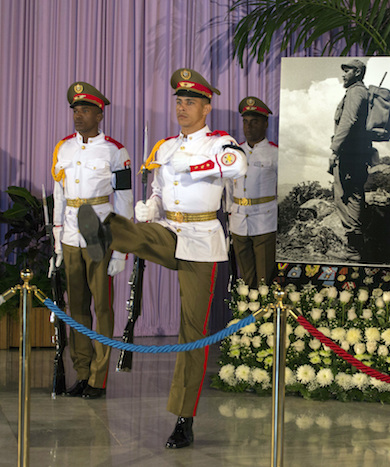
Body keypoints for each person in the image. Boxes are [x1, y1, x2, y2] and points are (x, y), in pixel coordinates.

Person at [76, 68, 247, 449]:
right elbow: (158, 189)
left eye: (190, 102)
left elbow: (238, 165)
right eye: (178, 102)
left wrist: (198, 166)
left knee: (193, 333)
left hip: (203, 242)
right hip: (168, 232)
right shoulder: (165, 147)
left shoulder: (220, 141)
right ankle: (105, 231)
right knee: (140, 233)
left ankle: (184, 418)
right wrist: (150, 205)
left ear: (206, 106)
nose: (182, 108)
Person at [50, 82, 133, 399]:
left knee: (103, 307)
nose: (78, 115)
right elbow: (59, 193)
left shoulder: (115, 150)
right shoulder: (63, 148)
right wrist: (58, 239)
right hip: (71, 234)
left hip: (99, 233)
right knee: (77, 308)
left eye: (85, 110)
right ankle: (82, 372)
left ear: (100, 114)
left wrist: (120, 251)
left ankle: (98, 378)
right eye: (75, 110)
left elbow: (124, 201)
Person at [225, 96, 278, 288]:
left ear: (265, 123)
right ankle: (245, 315)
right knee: (245, 279)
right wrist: (230, 210)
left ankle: (263, 316)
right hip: (239, 221)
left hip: (265, 221)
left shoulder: (275, 154)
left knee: (265, 280)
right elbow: (229, 186)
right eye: (245, 122)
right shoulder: (234, 153)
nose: (248, 127)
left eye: (254, 122)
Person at [329, 59, 373, 261]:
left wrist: (334, 149)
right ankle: (355, 247)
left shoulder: (356, 92)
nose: (343, 74)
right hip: (355, 153)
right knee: (349, 195)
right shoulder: (357, 92)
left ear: (357, 72)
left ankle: (353, 250)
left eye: (347, 70)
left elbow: (348, 121)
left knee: (349, 197)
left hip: (350, 154)